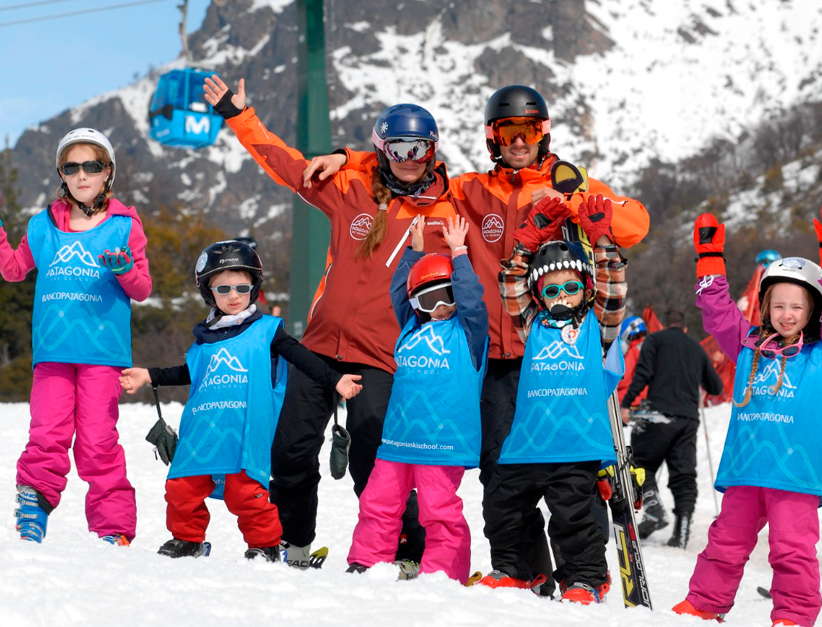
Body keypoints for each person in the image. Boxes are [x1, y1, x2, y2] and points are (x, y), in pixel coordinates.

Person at [304, 85, 650, 594]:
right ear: (492, 138)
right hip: (494, 357)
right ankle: (527, 568)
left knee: (572, 466)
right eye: (507, 132)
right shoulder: (467, 190)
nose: (518, 142)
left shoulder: (566, 182)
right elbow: (409, 167)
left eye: (527, 131)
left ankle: (585, 574)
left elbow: (635, 224)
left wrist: (574, 199)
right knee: (502, 472)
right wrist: (348, 155)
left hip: (556, 351)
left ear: (543, 133)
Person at [203, 75, 458, 567]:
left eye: (421, 149)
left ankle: (401, 550)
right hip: (319, 348)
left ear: (433, 151)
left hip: (383, 356)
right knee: (291, 452)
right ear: (382, 150)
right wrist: (240, 115)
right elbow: (287, 165)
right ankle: (292, 542)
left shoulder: (446, 209)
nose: (410, 160)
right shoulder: (351, 187)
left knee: (375, 460)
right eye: (399, 148)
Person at [119, 240, 362, 560]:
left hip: (245, 427)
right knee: (182, 485)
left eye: (241, 287)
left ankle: (265, 545)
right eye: (223, 289)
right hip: (203, 426)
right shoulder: (204, 336)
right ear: (209, 292)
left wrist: (336, 379)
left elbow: (302, 358)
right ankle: (188, 539)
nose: (233, 295)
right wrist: (149, 375)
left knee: (245, 491)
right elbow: (190, 372)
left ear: (253, 287)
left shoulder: (267, 331)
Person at [0, 128, 151, 545]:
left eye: (92, 166)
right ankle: (33, 506)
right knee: (46, 433)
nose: (82, 175)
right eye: (72, 167)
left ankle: (114, 527)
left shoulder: (124, 226)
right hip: (52, 350)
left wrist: (124, 271)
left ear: (108, 172)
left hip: (102, 353)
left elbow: (142, 289)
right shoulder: (41, 226)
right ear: (61, 174)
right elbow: (13, 269)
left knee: (98, 440)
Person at [672, 214, 822, 627]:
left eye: (797, 307)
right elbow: (717, 310)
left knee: (791, 549)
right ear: (766, 306)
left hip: (795, 474)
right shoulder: (748, 346)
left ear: (813, 311)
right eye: (778, 305)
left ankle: (792, 616)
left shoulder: (817, 355)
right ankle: (704, 603)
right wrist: (709, 257)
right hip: (746, 469)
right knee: (725, 541)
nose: (787, 314)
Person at [479, 193, 625, 605]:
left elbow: (613, 289)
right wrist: (525, 244)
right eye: (552, 289)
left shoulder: (598, 326)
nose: (562, 295)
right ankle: (515, 569)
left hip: (575, 446)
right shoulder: (533, 324)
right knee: (502, 508)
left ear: (587, 289)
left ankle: (585, 579)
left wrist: (602, 243)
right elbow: (510, 285)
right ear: (539, 294)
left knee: (573, 517)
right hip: (527, 444)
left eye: (572, 288)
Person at [346, 216, 488, 583]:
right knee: (378, 503)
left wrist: (459, 253)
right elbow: (399, 291)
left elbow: (472, 302)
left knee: (438, 509)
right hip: (397, 441)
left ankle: (442, 571)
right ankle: (367, 559)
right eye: (430, 299)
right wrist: (415, 251)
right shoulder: (410, 329)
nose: (441, 306)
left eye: (448, 296)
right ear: (417, 304)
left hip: (442, 443)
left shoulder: (467, 332)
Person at [620, 309, 722, 548]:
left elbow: (643, 374)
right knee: (684, 475)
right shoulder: (696, 348)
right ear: (685, 328)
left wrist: (626, 403)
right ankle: (681, 531)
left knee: (639, 462)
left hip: (658, 414)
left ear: (663, 326)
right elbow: (716, 387)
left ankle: (653, 508)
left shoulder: (655, 340)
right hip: (687, 419)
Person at [617, 315, 648, 406]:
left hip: (631, 399)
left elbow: (623, 381)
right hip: (648, 397)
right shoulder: (650, 348)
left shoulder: (633, 351)